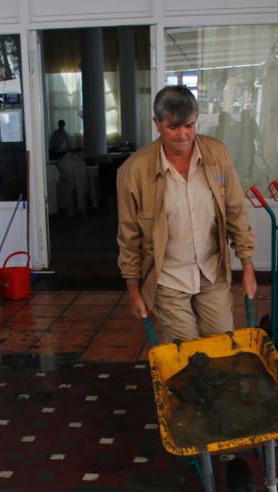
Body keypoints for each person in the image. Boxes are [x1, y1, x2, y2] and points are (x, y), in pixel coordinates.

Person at [117, 85, 256, 342]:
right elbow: (129, 236)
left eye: (190, 126)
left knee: (222, 347)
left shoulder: (217, 155)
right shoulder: (133, 171)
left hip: (212, 272)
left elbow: (236, 211)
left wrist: (247, 265)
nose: (183, 135)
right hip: (167, 279)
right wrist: (133, 288)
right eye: (173, 127)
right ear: (156, 123)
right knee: (188, 357)